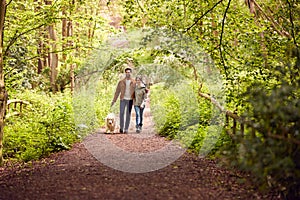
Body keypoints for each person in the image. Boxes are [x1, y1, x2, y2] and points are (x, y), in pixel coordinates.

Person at [111, 67, 135, 133]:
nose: (128, 74)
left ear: (131, 73)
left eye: (129, 72)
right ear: (125, 73)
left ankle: (126, 128)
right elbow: (117, 92)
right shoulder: (121, 82)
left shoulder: (134, 82)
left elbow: (137, 91)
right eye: (127, 72)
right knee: (121, 113)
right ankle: (121, 128)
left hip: (130, 100)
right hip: (123, 99)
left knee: (128, 114)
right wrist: (114, 100)